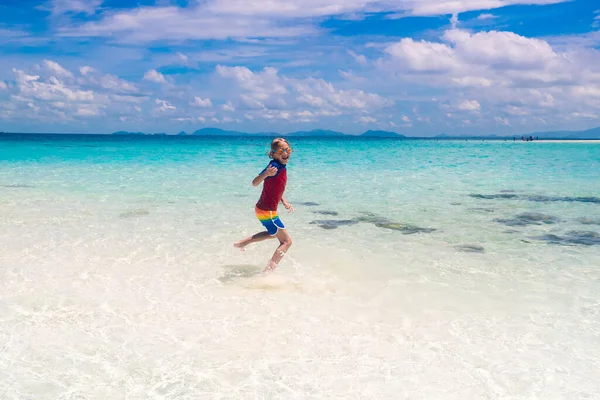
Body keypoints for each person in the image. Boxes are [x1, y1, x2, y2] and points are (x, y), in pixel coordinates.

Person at [234, 138, 295, 272]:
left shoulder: (281, 166)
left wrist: (283, 200)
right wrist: (266, 174)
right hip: (267, 211)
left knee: (273, 234)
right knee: (286, 242)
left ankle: (242, 243)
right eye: (281, 150)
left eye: (287, 150)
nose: (285, 153)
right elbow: (255, 183)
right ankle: (268, 271)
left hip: (263, 210)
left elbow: (275, 188)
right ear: (273, 154)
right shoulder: (274, 167)